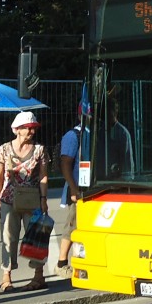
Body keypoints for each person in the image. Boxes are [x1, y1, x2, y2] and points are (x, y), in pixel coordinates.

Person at [0, 110, 51, 292]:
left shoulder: (40, 150)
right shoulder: (4, 149)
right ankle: (6, 277)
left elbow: (43, 177)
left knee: (35, 238)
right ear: (17, 129)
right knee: (8, 238)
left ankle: (38, 276)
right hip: (9, 200)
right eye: (28, 128)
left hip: (32, 199)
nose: (32, 132)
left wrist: (44, 200)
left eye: (34, 128)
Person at [56, 106, 90, 275]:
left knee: (84, 228)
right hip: (76, 190)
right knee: (72, 225)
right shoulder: (73, 135)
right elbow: (65, 164)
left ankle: (80, 261)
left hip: (91, 189)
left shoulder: (93, 133)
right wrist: (74, 189)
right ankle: (61, 263)